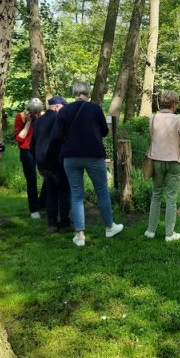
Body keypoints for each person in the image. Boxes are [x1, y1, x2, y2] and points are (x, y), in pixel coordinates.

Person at [51, 82, 123, 247]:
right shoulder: (95, 109)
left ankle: (80, 235)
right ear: (88, 94)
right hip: (94, 155)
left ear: (74, 93)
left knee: (76, 195)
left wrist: (69, 141)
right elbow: (105, 131)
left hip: (71, 157)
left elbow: (56, 136)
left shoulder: (64, 111)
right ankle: (109, 227)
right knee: (102, 192)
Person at [144, 90, 180, 242]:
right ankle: (169, 234)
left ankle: (150, 231)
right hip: (173, 162)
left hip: (156, 160)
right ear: (174, 104)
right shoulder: (178, 119)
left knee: (156, 195)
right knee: (171, 198)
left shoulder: (153, 118)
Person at [30, 95, 72, 233]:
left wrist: (37, 159)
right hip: (57, 161)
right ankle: (65, 222)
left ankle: (52, 224)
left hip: (42, 162)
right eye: (63, 107)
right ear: (58, 107)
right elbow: (62, 139)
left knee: (51, 192)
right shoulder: (59, 119)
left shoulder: (38, 121)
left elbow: (32, 144)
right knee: (64, 191)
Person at [14, 97, 46, 219]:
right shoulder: (20, 117)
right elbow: (19, 139)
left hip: (40, 150)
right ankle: (34, 209)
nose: (37, 116)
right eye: (35, 113)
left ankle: (42, 203)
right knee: (31, 180)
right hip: (27, 151)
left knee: (49, 176)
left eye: (39, 113)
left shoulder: (41, 116)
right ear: (29, 111)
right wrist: (28, 122)